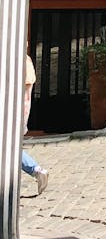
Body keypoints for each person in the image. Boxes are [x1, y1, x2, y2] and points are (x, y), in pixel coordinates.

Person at [22, 54, 48, 195]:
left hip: (13, 115)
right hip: (22, 114)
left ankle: (37, 170)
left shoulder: (18, 61)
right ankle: (37, 171)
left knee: (9, 149)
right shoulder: (26, 61)